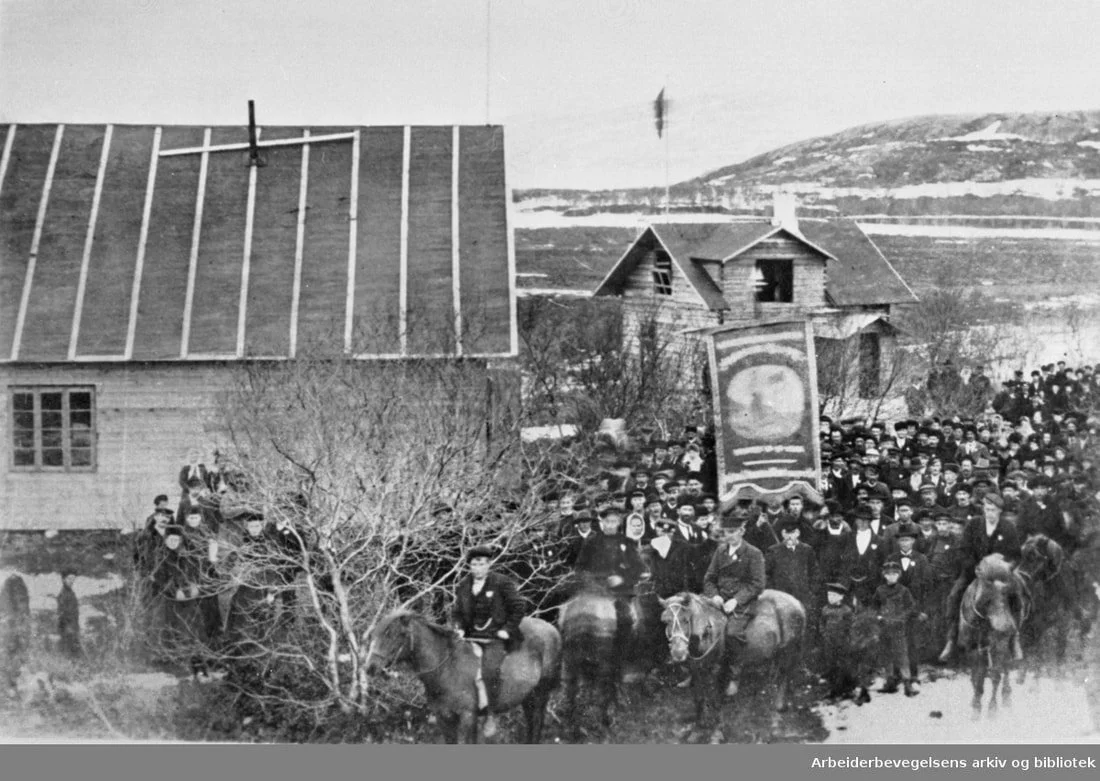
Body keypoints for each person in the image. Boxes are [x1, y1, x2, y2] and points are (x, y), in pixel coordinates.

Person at [452, 545, 526, 740]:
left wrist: (506, 630)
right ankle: (457, 708)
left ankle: (490, 714)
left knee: (490, 670)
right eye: (474, 564)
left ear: (489, 564)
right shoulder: (463, 585)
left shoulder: (502, 583)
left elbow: (519, 607)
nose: (478, 568)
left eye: (482, 564)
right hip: (470, 637)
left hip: (495, 638)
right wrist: (458, 627)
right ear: (469, 566)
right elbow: (457, 612)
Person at [703, 507, 766, 697]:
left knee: (732, 633)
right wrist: (714, 595)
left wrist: (736, 601)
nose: (728, 536)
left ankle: (734, 676)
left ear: (742, 531)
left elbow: (757, 584)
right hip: (720, 599)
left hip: (742, 602)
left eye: (732, 532)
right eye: (725, 533)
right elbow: (709, 578)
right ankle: (701, 669)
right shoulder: (720, 551)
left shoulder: (753, 553)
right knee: (699, 625)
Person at [873, 560, 919, 697]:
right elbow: (874, 606)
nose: (891, 576)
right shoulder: (880, 590)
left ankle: (907, 683)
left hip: (899, 628)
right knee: (886, 654)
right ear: (884, 576)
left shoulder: (904, 590)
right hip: (884, 627)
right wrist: (878, 617)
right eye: (888, 574)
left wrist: (901, 618)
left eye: (894, 574)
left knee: (902, 655)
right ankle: (890, 682)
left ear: (898, 575)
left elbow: (911, 607)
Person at [57, 569, 82, 659]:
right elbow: (63, 614)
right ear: (63, 579)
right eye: (69, 578)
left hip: (73, 627)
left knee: (74, 652)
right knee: (71, 653)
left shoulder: (70, 593)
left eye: (73, 579)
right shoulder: (63, 594)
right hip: (68, 629)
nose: (72, 581)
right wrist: (69, 629)